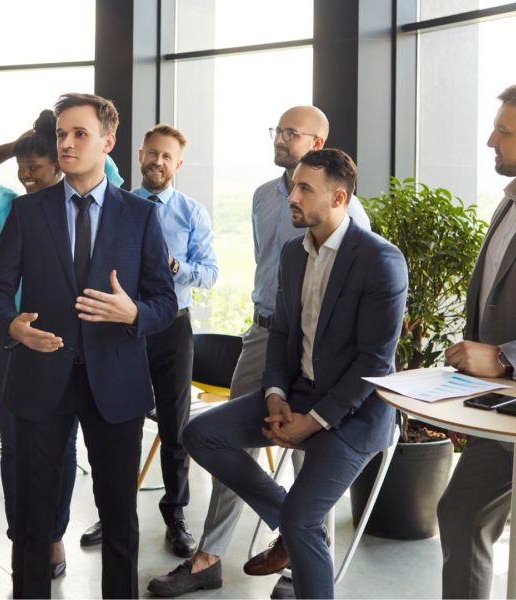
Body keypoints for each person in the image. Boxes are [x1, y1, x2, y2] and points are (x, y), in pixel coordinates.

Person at [148, 106, 371, 597]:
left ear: (316, 144)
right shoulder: (262, 198)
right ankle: (210, 557)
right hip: (265, 332)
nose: (280, 139)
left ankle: (302, 562)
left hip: (318, 347)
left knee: (308, 455)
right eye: (278, 130)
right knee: (231, 439)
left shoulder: (345, 210)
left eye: (292, 133)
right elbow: (269, 268)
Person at [179, 149, 407, 599]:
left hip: (356, 413)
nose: (291, 196)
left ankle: (295, 525)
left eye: (305, 188)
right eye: (292, 186)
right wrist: (275, 394)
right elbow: (282, 332)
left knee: (304, 520)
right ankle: (286, 516)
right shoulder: (292, 252)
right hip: (297, 394)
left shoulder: (380, 260)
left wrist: (315, 420)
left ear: (338, 197)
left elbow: (374, 362)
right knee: (200, 433)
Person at [0, 92, 177, 599]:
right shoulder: (27, 211)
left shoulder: (139, 215)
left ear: (108, 143)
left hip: (116, 383)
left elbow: (163, 301)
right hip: (40, 377)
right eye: (61, 134)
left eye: (79, 134)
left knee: (118, 519)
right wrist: (11, 328)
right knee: (32, 519)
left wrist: (133, 313)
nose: (65, 143)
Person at [0, 109, 124, 577]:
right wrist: (19, 145)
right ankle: (23, 537)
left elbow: (108, 170)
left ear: (60, 165)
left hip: (61, 345)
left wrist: (68, 140)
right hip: (8, 341)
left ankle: (53, 535)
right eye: (22, 168)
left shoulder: (85, 209)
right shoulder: (7, 204)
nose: (27, 175)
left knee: (63, 446)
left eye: (37, 166)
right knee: (14, 445)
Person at [80, 124, 218, 557]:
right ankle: (114, 512)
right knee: (120, 422)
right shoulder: (115, 206)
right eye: (152, 154)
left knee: (175, 427)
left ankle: (175, 517)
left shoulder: (192, 212)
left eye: (167, 157)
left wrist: (174, 266)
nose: (158, 162)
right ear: (140, 155)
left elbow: (210, 274)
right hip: (121, 327)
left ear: (178, 164)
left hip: (172, 328)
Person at [436, 85, 516, 600]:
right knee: (462, 511)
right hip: (500, 407)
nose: (490, 139)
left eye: (504, 132)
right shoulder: (507, 205)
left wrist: (506, 356)